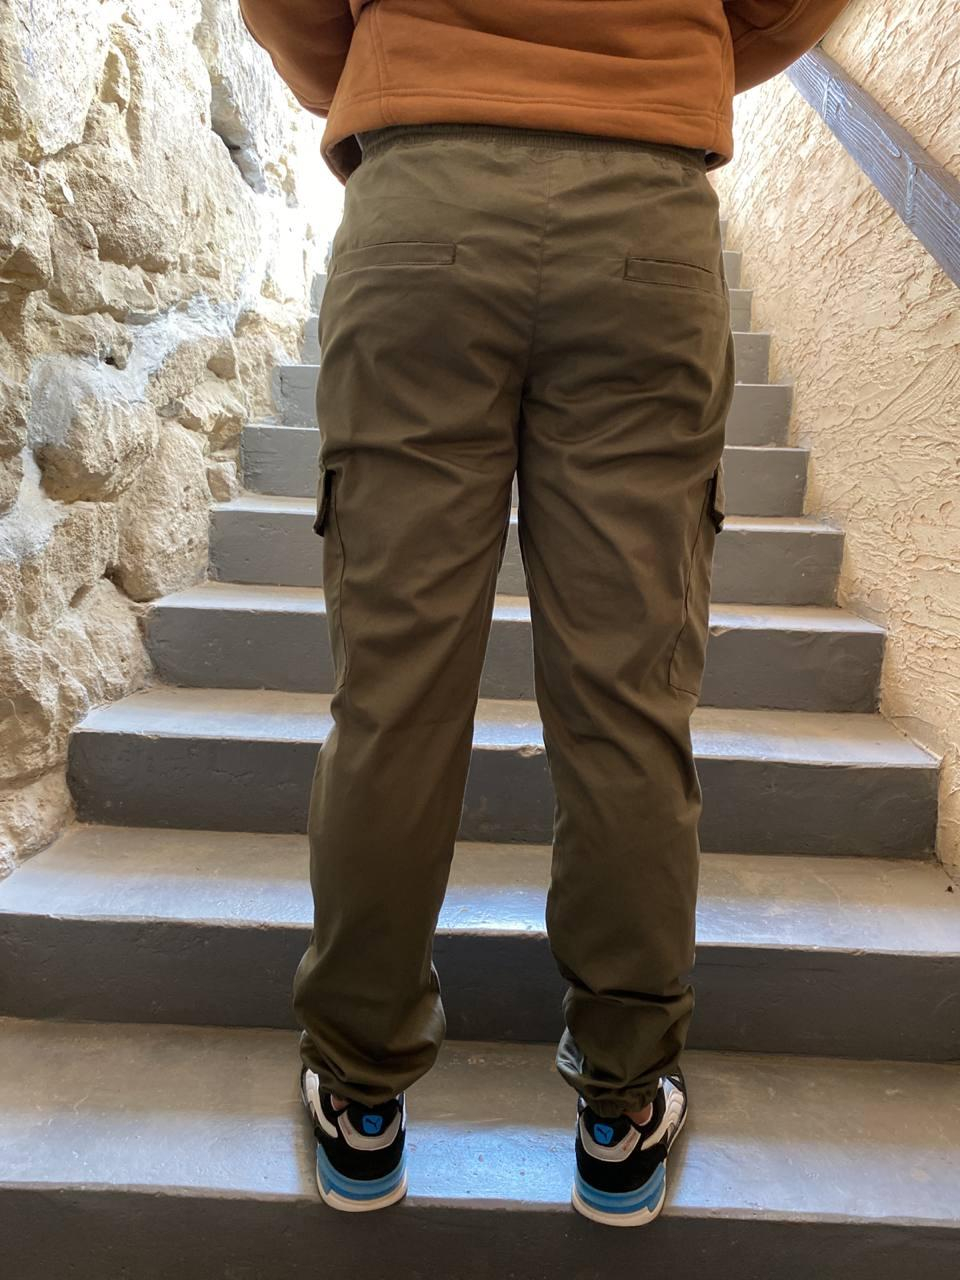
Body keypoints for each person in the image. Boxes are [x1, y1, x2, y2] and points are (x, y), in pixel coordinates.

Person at [239, 0, 850, 1227]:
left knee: (393, 697)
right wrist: (667, 61)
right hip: (645, 214)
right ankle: (621, 1107)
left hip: (425, 196)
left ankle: (359, 1089)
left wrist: (387, 70)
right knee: (629, 702)